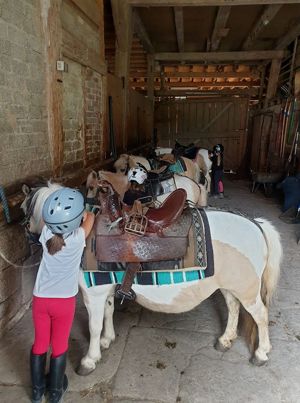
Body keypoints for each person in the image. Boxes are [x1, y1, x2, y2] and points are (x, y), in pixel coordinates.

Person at [30, 187, 95, 403]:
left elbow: (49, 223)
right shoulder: (77, 238)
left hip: (41, 300)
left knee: (40, 344)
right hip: (64, 303)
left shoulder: (46, 234)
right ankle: (56, 392)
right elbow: (91, 217)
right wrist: (87, 212)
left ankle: (37, 392)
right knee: (59, 346)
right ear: (76, 219)